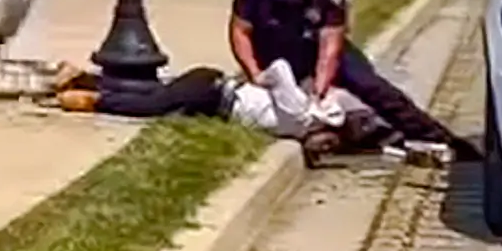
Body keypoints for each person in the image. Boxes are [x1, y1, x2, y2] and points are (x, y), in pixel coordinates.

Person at [227, 0, 480, 161]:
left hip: (314, 44)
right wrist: (255, 74)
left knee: (371, 86)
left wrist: (320, 88)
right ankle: (333, 134)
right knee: (277, 102)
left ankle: (437, 138)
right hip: (270, 48)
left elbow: (331, 42)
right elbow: (240, 32)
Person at [51, 59, 399, 163]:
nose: (325, 146)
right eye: (333, 142)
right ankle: (90, 98)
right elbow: (280, 69)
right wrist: (259, 79)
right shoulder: (301, 115)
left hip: (212, 92)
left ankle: (84, 79)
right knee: (152, 105)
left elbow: (313, 148)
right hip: (214, 92)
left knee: (155, 93)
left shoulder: (305, 124)